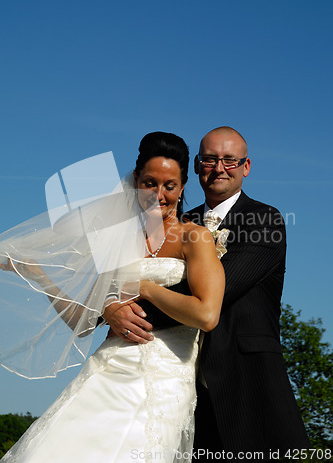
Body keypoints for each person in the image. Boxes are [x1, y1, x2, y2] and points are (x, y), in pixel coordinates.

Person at [0, 132, 225, 463]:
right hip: (107, 371)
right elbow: (83, 322)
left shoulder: (195, 237)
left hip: (163, 380)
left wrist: (144, 287)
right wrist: (37, 274)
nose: (159, 195)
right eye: (150, 183)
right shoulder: (116, 240)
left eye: (170, 186)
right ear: (135, 180)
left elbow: (206, 314)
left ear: (182, 185)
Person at [107, 127, 310, 460]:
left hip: (248, 388)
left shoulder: (264, 220)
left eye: (230, 160)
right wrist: (107, 308)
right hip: (181, 390)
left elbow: (215, 293)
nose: (219, 168)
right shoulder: (177, 223)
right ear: (197, 166)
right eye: (210, 160)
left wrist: (128, 306)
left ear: (246, 166)